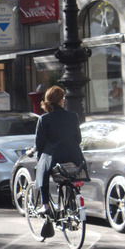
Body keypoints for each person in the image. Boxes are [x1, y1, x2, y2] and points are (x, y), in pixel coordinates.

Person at [33, 85, 85, 217]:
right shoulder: (73, 116)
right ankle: (70, 203)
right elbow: (78, 139)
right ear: (61, 100)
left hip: (53, 158)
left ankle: (45, 205)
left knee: (41, 169)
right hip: (74, 157)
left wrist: (33, 152)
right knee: (70, 178)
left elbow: (39, 144)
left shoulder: (44, 119)